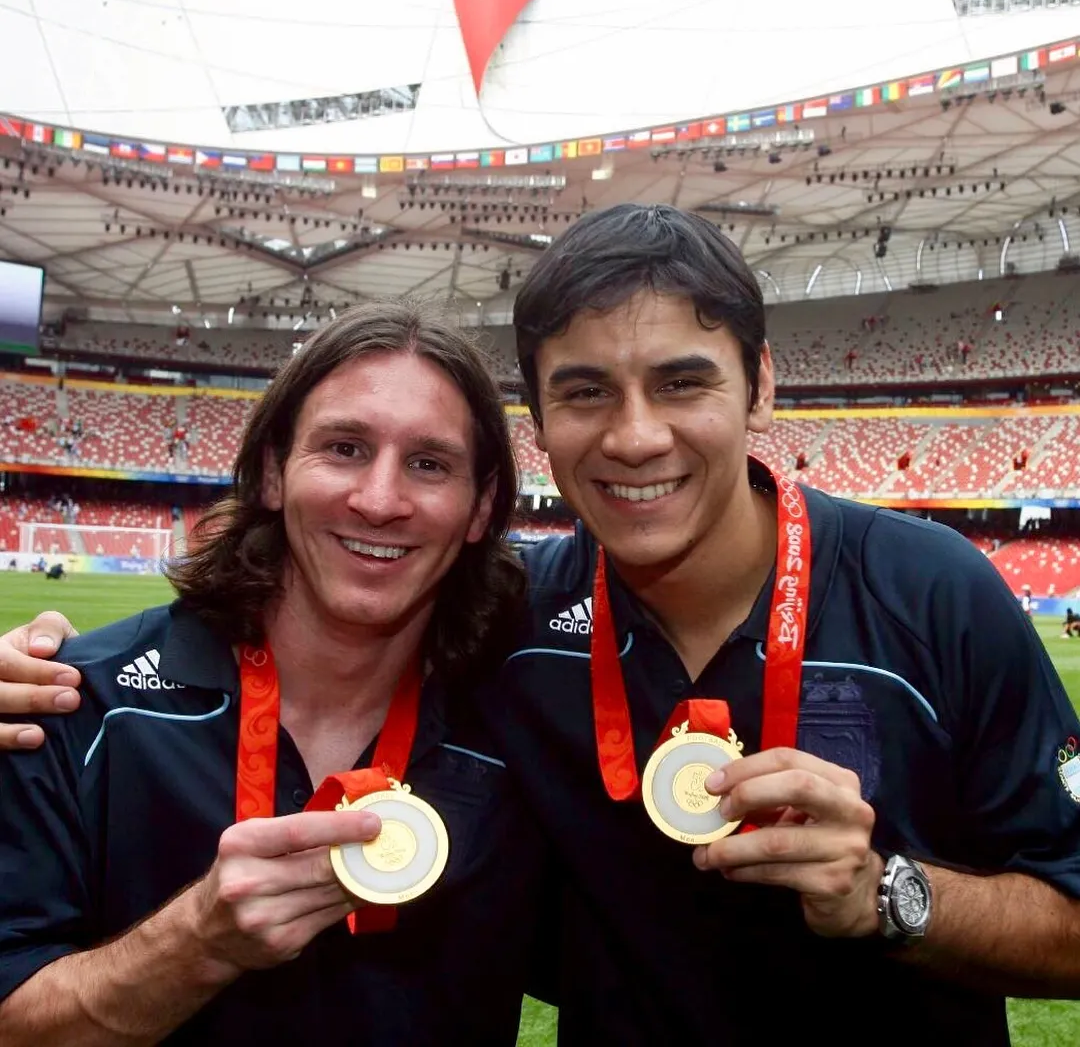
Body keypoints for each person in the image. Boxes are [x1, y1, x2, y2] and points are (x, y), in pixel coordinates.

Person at [4, 206, 1080, 1043]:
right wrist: (36, 674)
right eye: (585, 393)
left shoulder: (937, 591)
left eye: (681, 381)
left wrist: (892, 894)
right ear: (542, 425)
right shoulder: (513, 631)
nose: (636, 434)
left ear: (761, 384)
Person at [0, 300, 543, 1045]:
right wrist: (196, 941)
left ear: (480, 509)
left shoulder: (523, 732)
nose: (380, 501)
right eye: (345, 448)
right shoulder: (71, 705)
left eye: (429, 464)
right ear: (272, 471)